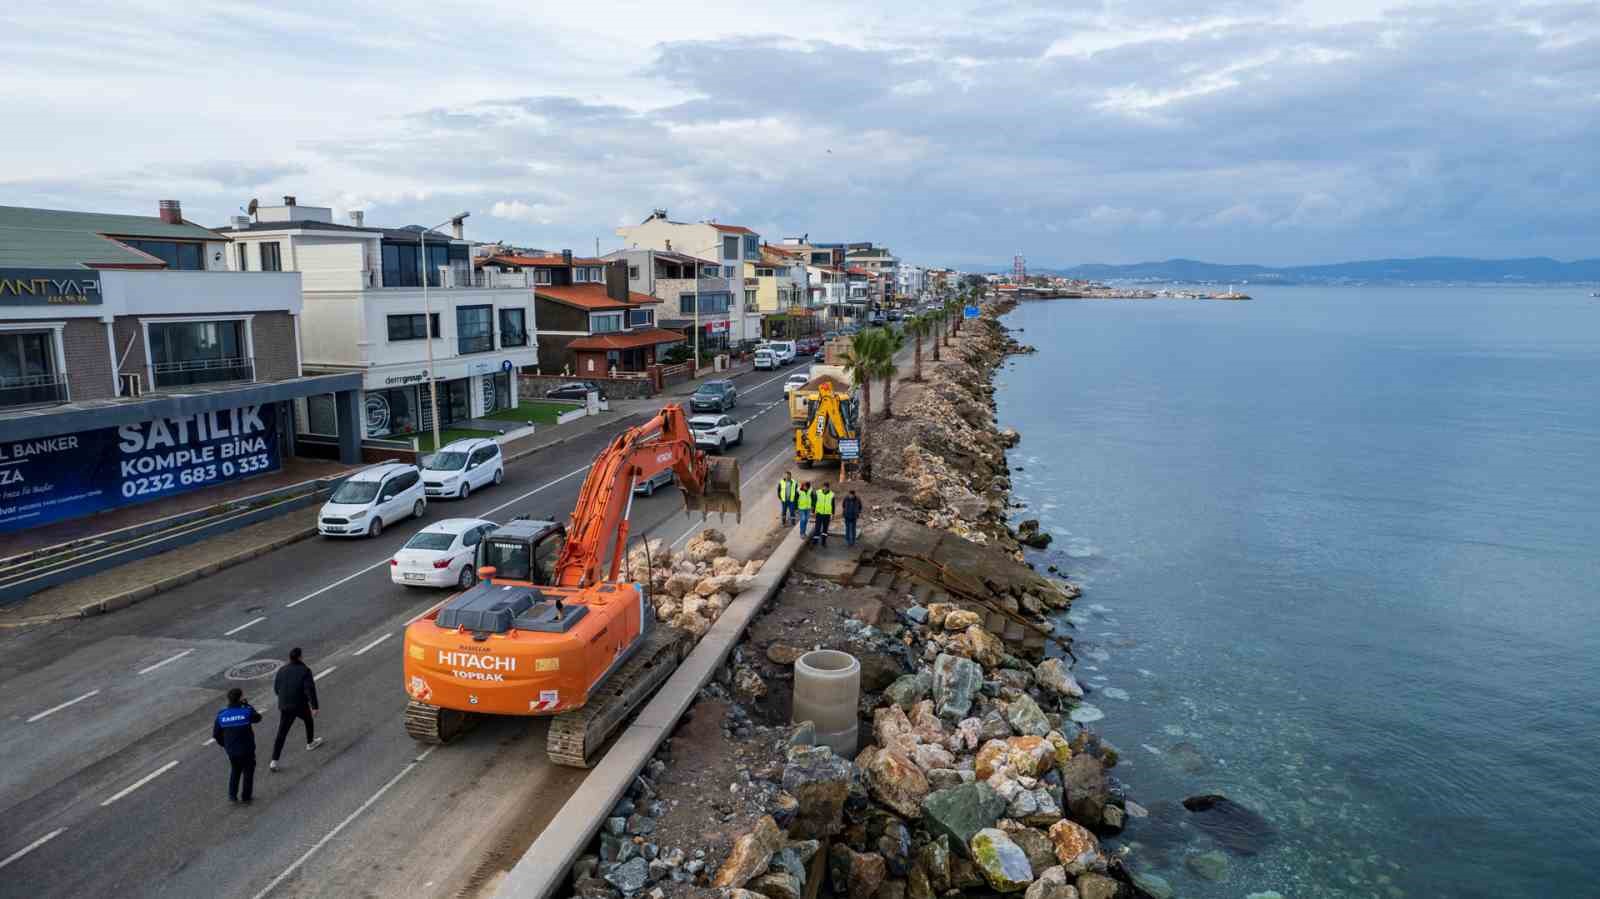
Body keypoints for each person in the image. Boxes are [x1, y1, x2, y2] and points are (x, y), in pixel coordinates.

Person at [270, 647, 323, 771]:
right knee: (308, 720)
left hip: (284, 705)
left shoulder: (282, 670)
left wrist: (284, 698)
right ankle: (310, 743)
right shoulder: (304, 670)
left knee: (282, 733)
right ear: (300, 657)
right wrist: (314, 706)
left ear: (289, 658)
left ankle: (274, 760)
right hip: (299, 704)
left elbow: (276, 688)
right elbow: (309, 689)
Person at [213, 687, 262, 804]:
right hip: (247, 749)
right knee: (248, 772)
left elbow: (216, 734)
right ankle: (246, 797)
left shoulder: (221, 715)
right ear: (240, 698)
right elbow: (258, 718)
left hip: (231, 750)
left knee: (235, 770)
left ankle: (232, 795)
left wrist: (225, 745)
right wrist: (248, 705)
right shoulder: (246, 711)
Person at [812, 482, 835, 547]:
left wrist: (833, 514)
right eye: (824, 487)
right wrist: (813, 512)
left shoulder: (832, 494)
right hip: (819, 513)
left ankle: (823, 542)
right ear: (822, 487)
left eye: (826, 487)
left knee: (825, 529)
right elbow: (814, 502)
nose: (825, 488)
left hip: (827, 515)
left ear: (828, 488)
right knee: (817, 528)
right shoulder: (818, 493)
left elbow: (833, 505)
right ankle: (815, 541)